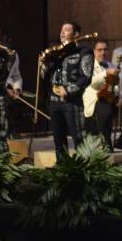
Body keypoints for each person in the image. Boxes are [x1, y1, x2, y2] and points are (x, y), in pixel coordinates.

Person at [41, 22, 93, 156]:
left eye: (67, 30)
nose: (62, 33)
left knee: (79, 139)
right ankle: (61, 169)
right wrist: (43, 65)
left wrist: (69, 90)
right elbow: (45, 77)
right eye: (61, 30)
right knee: (58, 140)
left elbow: (86, 77)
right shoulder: (55, 53)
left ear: (76, 34)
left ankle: (83, 170)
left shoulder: (84, 51)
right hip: (54, 100)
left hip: (72, 102)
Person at [83, 39, 120, 145]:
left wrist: (118, 95)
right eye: (99, 50)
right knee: (106, 110)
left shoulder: (111, 65)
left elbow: (117, 85)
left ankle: (120, 140)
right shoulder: (89, 65)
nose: (103, 52)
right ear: (94, 51)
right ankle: (105, 141)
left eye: (105, 50)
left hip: (109, 99)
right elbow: (93, 83)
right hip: (94, 98)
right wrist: (106, 73)